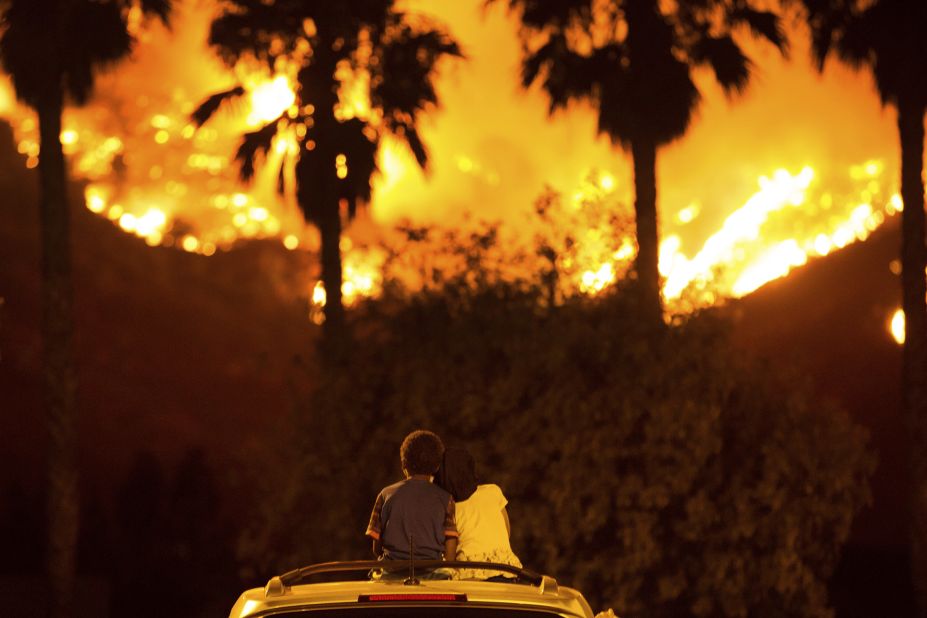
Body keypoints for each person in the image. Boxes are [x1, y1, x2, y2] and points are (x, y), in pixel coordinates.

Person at [365, 430, 458, 567]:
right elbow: (450, 553)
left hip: (392, 572)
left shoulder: (385, 494)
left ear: (404, 465)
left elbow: (376, 549)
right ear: (437, 466)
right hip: (432, 575)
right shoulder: (446, 499)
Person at [435, 447, 522, 580]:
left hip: (471, 574)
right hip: (506, 569)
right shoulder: (492, 491)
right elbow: (507, 531)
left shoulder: (450, 507)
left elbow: (450, 554)